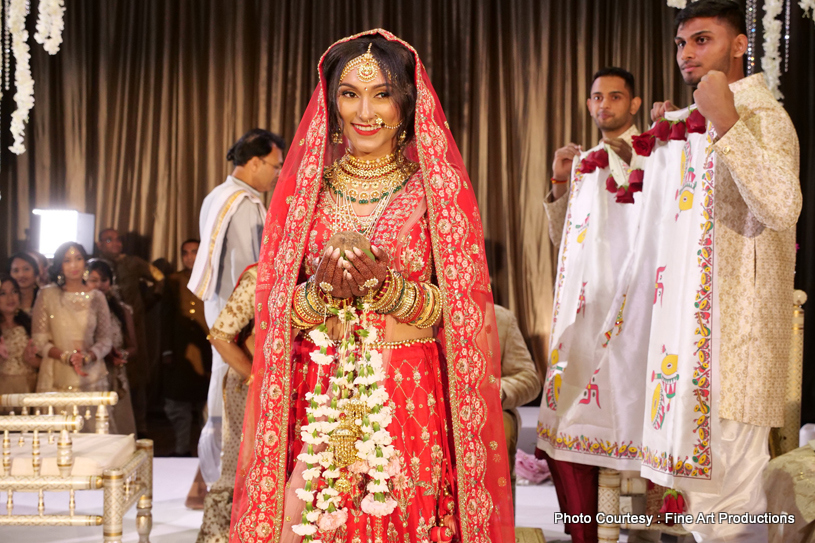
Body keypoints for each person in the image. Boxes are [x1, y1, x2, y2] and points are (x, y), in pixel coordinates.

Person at [229, 30, 513, 543]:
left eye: (382, 94)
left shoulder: (436, 194)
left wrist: (390, 290)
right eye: (350, 93)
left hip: (410, 391)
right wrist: (320, 293)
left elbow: (463, 313)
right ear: (332, 102)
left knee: (403, 520)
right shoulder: (304, 196)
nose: (366, 111)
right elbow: (276, 312)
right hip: (319, 392)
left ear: (407, 102)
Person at [621, 1, 800, 541]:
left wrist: (725, 119)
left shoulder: (762, 114)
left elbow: (782, 207)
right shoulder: (688, 124)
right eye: (681, 44)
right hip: (690, 334)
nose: (687, 53)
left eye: (702, 40)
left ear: (740, 45)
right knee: (701, 497)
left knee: (730, 498)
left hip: (736, 339)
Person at [535, 67, 649, 543]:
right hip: (587, 310)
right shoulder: (585, 161)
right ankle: (586, 533)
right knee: (567, 428)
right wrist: (561, 184)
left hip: (640, 308)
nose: (605, 105)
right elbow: (567, 244)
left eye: (616, 97)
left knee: (637, 428)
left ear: (635, 104)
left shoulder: (660, 150)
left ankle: (646, 529)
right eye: (597, 97)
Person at [188, 128, 284, 489]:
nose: (277, 175)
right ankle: (227, 486)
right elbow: (250, 270)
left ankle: (214, 482)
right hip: (239, 317)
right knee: (234, 394)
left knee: (220, 388)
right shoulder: (242, 203)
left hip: (219, 307)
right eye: (274, 166)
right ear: (255, 162)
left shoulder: (220, 194)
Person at [197, 264, 257, 543]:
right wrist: (258, 377)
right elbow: (220, 335)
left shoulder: (319, 275)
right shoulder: (260, 275)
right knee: (241, 466)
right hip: (250, 386)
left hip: (295, 386)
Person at [32, 242, 113, 433]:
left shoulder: (96, 297)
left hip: (92, 374)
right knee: (57, 439)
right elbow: (39, 341)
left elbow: (105, 339)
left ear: (85, 262)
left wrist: (87, 357)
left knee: (93, 437)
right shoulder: (47, 295)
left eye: (78, 259)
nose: (74, 265)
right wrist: (67, 357)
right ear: (60, 265)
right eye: (67, 260)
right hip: (55, 375)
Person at [96, 228, 165, 438]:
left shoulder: (133, 263)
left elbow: (159, 277)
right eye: (109, 240)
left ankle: (140, 426)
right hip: (101, 326)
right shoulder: (95, 266)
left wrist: (149, 302)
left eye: (118, 239)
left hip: (131, 324)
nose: (115, 244)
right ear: (100, 244)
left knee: (136, 374)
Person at [162, 239, 211, 460]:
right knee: (177, 403)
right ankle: (182, 448)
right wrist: (166, 351)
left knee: (207, 403)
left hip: (209, 348)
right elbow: (166, 318)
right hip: (181, 350)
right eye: (185, 253)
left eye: (194, 252)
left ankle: (206, 450)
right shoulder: (173, 281)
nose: (190, 257)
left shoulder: (213, 277)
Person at [494, 304, 541, 505]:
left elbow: (529, 379)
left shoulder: (499, 318)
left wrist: (496, 391)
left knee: (501, 426)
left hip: (487, 413)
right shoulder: (415, 311)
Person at [86, 259, 138, 436]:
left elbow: (133, 347)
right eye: (93, 280)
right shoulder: (81, 310)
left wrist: (119, 355)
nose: (99, 285)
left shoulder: (122, 310)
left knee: (119, 424)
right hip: (92, 370)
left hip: (116, 372)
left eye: (104, 280)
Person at [0, 274, 40, 399]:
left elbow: (45, 362)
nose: (10, 297)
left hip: (30, 387)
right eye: (3, 293)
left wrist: (32, 360)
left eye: (14, 291)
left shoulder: (30, 323)